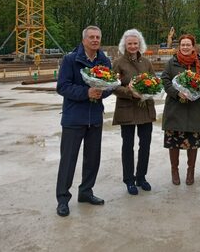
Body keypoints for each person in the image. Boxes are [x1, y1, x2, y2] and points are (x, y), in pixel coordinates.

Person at [55, 26, 112, 217]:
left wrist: (102, 92)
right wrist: (86, 93)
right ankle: (63, 199)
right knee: (68, 160)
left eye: (98, 37)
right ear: (84, 40)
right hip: (74, 118)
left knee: (92, 159)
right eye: (91, 37)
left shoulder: (104, 60)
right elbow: (62, 86)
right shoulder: (70, 60)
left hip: (94, 117)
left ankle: (86, 192)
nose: (95, 40)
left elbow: (110, 84)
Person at [112, 29, 156, 196]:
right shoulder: (118, 63)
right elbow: (113, 86)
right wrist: (129, 92)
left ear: (140, 45)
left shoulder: (146, 62)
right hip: (127, 109)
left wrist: (149, 90)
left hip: (145, 108)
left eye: (135, 43)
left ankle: (141, 177)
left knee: (145, 145)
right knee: (127, 146)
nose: (132, 46)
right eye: (129, 43)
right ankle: (129, 180)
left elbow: (154, 82)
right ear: (125, 45)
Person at [161, 34, 200, 186]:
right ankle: (174, 171)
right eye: (183, 45)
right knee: (173, 143)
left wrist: (194, 93)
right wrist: (177, 93)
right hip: (174, 107)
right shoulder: (171, 62)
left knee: (192, 143)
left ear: (193, 47)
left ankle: (190, 171)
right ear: (179, 46)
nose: (186, 47)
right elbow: (165, 80)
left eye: (189, 44)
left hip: (191, 108)